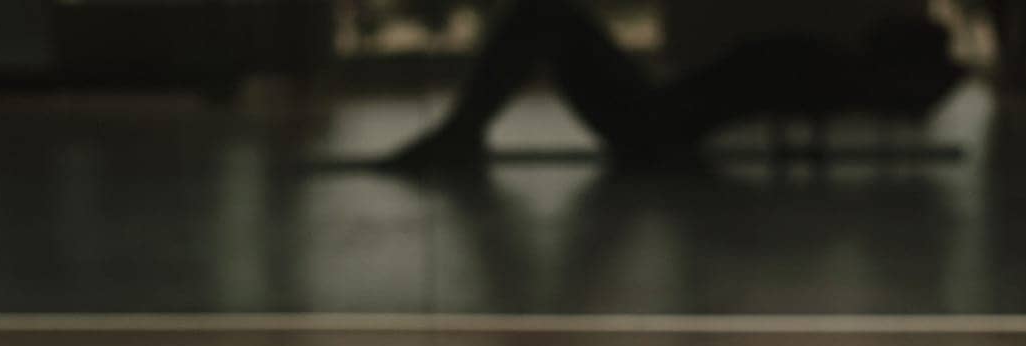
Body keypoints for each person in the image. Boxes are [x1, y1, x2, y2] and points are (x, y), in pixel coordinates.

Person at [381, 1, 969, 171]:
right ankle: (462, 131)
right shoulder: (827, 64)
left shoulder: (831, 68)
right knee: (547, 22)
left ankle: (461, 132)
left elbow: (798, 125)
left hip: (653, 122)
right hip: (658, 116)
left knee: (548, 22)